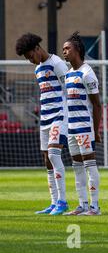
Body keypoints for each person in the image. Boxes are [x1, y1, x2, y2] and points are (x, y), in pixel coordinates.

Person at [15, 33, 69, 215]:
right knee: (47, 160)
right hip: (45, 118)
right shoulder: (38, 69)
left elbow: (69, 91)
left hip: (59, 115)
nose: (30, 60)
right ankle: (54, 202)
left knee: (54, 155)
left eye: (30, 56)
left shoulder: (57, 64)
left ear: (37, 48)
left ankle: (62, 201)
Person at [63, 32, 102, 216]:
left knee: (89, 164)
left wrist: (96, 130)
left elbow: (97, 104)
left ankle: (95, 206)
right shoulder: (69, 73)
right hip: (71, 128)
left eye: (67, 48)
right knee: (77, 166)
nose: (64, 52)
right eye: (63, 49)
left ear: (77, 50)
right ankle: (82, 204)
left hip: (85, 127)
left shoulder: (87, 73)